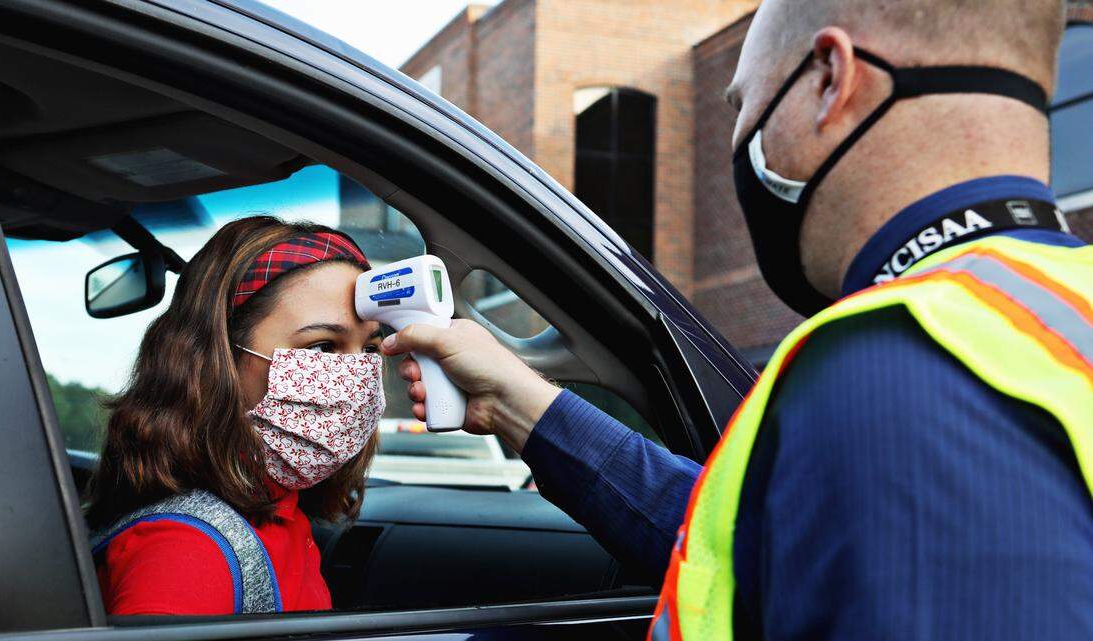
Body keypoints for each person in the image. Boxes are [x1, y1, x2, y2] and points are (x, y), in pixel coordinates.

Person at [383, 0, 1092, 638]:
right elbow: (741, 547)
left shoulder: (896, 374)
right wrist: (522, 405)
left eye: (745, 105)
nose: (741, 143)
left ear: (829, 80)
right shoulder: (1054, 311)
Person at [86, 217, 386, 615]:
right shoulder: (184, 553)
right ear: (221, 358)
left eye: (369, 351)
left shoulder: (281, 506)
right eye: (321, 349)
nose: (355, 379)